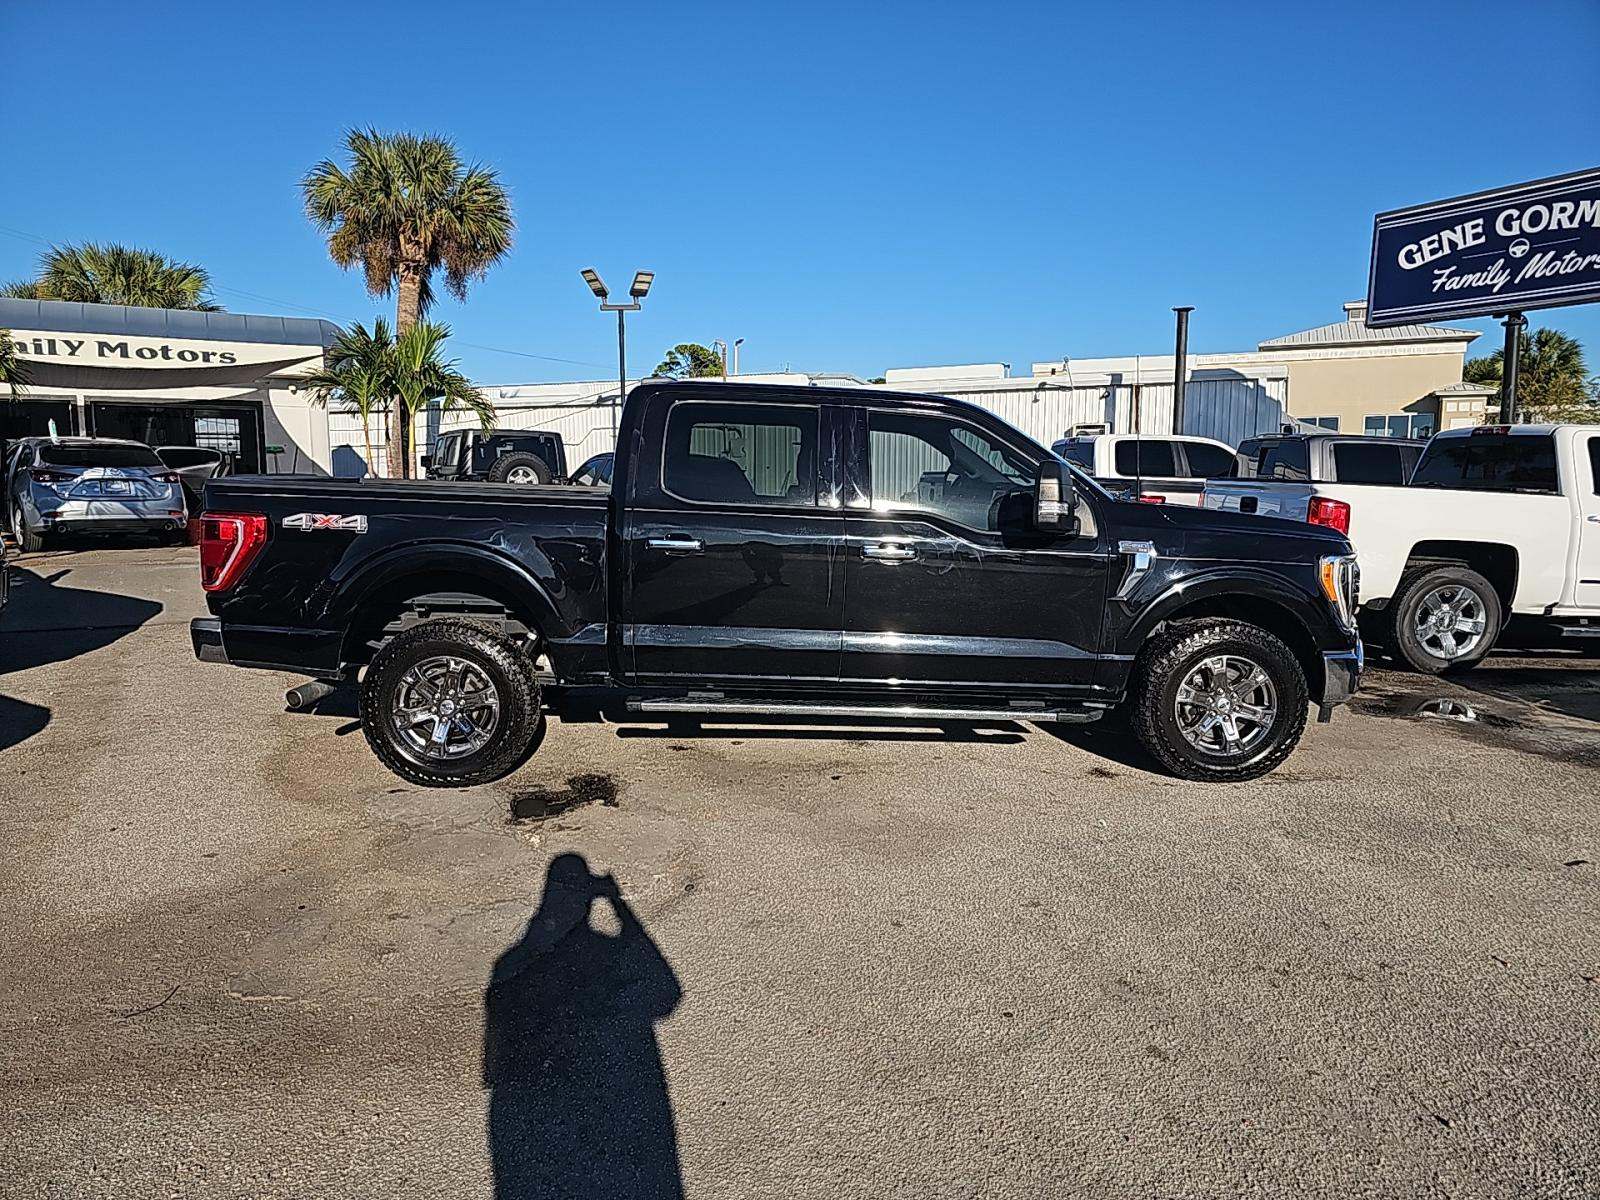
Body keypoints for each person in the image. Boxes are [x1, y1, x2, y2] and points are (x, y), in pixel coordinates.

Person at [483, 853, 684, 1199]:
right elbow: (666, 994)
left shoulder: (512, 965)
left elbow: (495, 1057)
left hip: (543, 1124)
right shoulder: (607, 956)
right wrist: (620, 906)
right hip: (611, 1111)